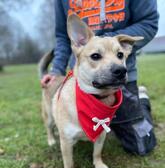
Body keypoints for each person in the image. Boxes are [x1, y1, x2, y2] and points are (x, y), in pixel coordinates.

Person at [41, 0, 159, 155]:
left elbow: (149, 22)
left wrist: (105, 42)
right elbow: (63, 35)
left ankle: (140, 98)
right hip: (84, 79)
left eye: (118, 55)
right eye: (97, 55)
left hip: (122, 82)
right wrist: (56, 70)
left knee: (142, 146)